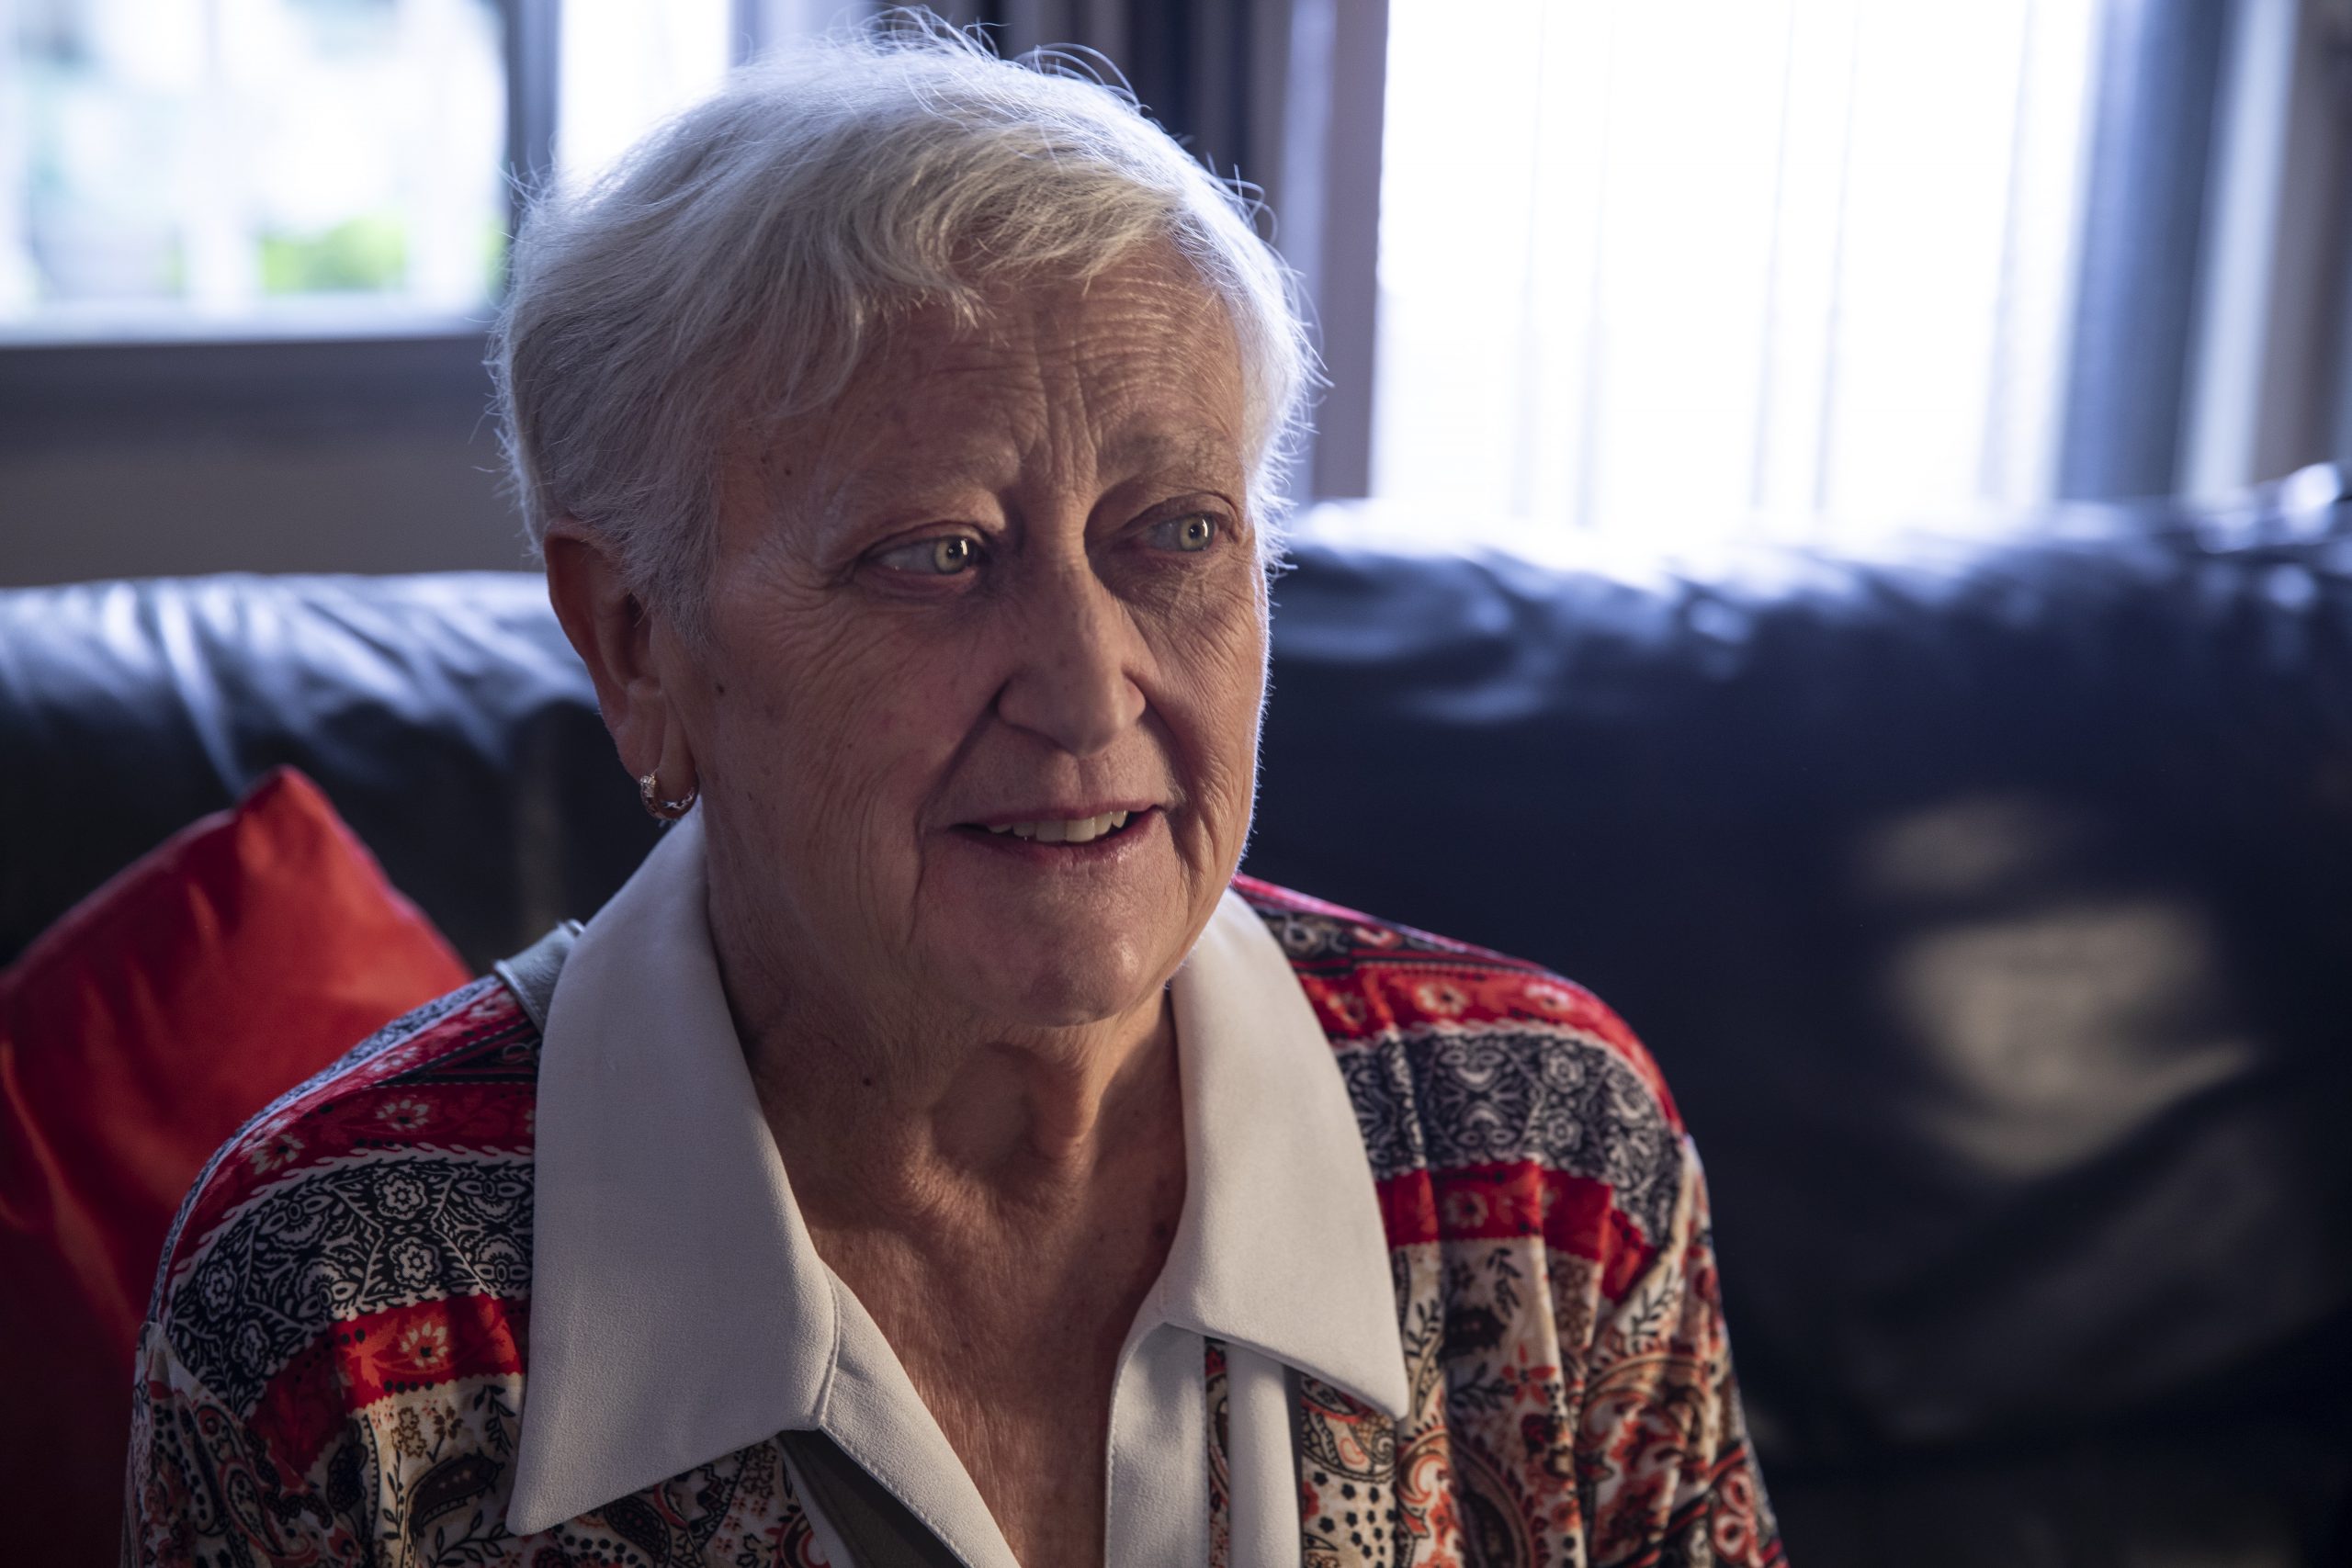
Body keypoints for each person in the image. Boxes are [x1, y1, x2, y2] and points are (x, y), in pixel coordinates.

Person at [125, 21, 1781, 1568]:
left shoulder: (1545, 1156)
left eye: (1176, 533)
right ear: (636, 639)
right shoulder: (328, 1308)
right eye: (935, 556)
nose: (1087, 688)